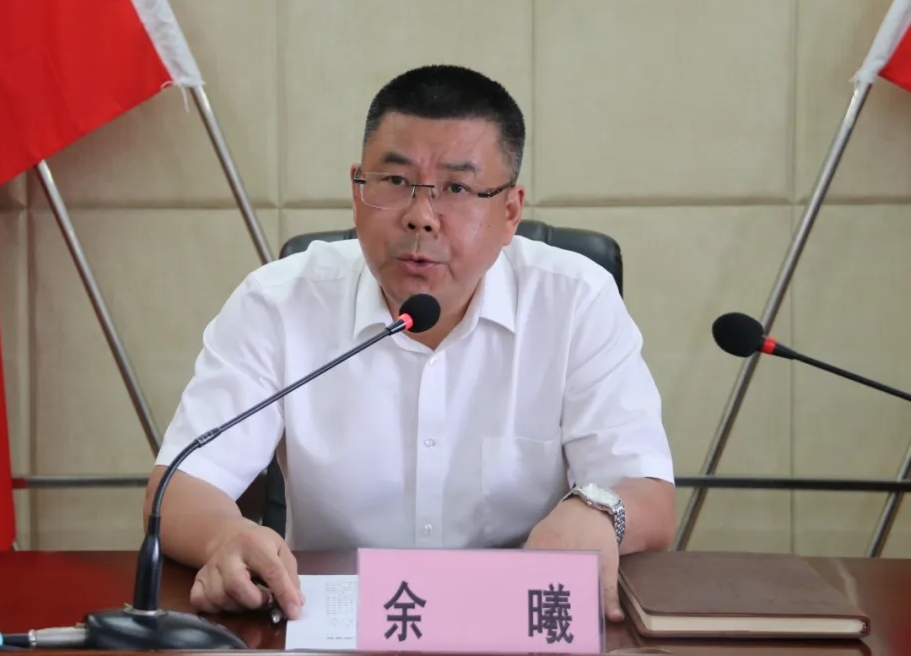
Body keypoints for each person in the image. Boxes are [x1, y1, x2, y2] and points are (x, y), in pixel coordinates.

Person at [146, 64, 675, 624]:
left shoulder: (574, 300)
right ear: (357, 192)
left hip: (513, 621)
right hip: (336, 625)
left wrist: (602, 513)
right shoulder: (278, 303)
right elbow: (179, 484)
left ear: (509, 213)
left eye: (457, 188)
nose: (421, 217)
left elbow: (648, 494)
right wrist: (224, 536)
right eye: (395, 182)